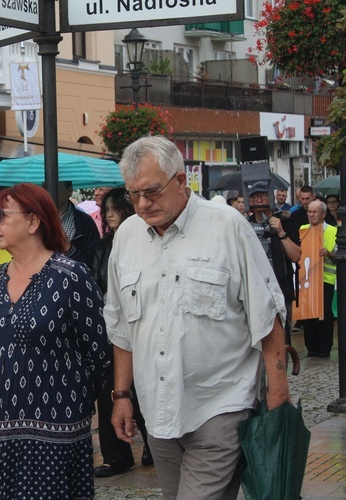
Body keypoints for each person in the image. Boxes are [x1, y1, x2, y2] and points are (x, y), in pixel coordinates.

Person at [105, 136, 290, 500]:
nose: (142, 204)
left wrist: (277, 401)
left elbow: (267, 319)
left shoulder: (226, 227)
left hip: (220, 405)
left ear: (180, 180)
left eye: (152, 191)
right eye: (133, 195)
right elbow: (122, 325)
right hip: (157, 411)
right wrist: (122, 394)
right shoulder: (126, 237)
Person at [0, 182, 111, 499]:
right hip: (2, 433)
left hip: (55, 434)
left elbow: (100, 353)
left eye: (2, 216)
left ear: (33, 221)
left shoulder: (72, 276)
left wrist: (85, 405)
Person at [91, 188, 152, 478]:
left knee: (140, 387)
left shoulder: (142, 240)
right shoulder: (103, 247)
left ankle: (154, 442)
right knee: (110, 392)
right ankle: (116, 456)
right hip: (110, 327)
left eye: (115, 209)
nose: (109, 214)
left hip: (140, 327)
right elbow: (96, 284)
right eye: (106, 210)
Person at [247, 181, 301, 346]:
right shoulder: (245, 225)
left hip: (280, 289)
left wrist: (280, 232)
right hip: (254, 292)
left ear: (270, 197)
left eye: (262, 196)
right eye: (255, 197)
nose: (259, 201)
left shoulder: (285, 222)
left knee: (281, 342)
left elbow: (296, 256)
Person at [299, 200, 337, 358]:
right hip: (307, 279)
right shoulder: (303, 230)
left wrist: (328, 253)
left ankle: (324, 349)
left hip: (325, 280)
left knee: (324, 315)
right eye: (309, 211)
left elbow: (338, 256)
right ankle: (311, 348)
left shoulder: (333, 231)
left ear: (323, 214)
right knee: (308, 314)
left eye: (315, 212)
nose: (311, 215)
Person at [57, 181, 100, 267]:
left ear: (69, 190)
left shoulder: (85, 223)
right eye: (45, 186)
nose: (48, 191)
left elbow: (93, 265)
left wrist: (69, 249)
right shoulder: (35, 222)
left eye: (55, 185)